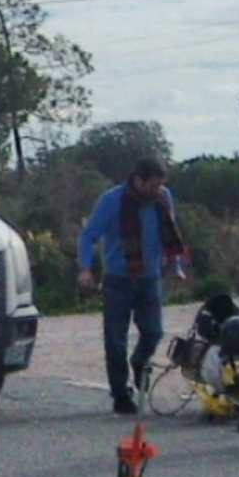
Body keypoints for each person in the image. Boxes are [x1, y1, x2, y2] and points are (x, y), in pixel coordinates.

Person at [77, 157, 189, 415]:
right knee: (115, 341)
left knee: (154, 331)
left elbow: (169, 232)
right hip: (118, 279)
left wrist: (176, 265)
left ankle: (140, 361)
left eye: (160, 185)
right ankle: (120, 395)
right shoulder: (112, 200)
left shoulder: (163, 197)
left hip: (150, 277)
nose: (157, 190)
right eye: (152, 185)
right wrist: (85, 268)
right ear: (138, 180)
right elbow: (89, 235)